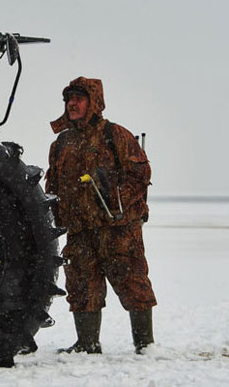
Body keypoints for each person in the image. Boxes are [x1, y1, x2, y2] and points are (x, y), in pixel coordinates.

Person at [45, 76, 157, 354]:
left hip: (118, 229)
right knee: (82, 287)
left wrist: (118, 199)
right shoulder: (61, 143)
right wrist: (56, 213)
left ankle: (144, 345)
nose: (72, 104)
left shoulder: (115, 134)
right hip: (79, 231)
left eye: (79, 99)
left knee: (133, 284)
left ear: (94, 103)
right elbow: (53, 185)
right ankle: (87, 343)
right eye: (69, 99)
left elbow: (141, 173)